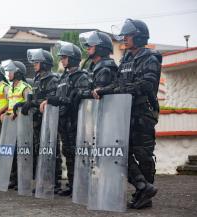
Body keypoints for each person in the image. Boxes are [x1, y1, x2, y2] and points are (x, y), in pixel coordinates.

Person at [97, 19, 162, 209]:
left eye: (128, 35)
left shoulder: (151, 57)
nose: (124, 38)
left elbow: (146, 85)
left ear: (139, 37)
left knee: (143, 155)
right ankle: (143, 187)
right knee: (121, 153)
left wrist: (116, 90)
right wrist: (103, 90)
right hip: (125, 113)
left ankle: (144, 196)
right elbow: (118, 84)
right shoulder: (125, 58)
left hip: (143, 114)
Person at [40, 42, 90, 196]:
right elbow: (59, 96)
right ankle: (72, 184)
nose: (61, 60)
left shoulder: (82, 77)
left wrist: (56, 100)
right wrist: (51, 100)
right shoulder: (63, 77)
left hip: (76, 121)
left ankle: (82, 186)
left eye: (65, 57)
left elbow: (77, 100)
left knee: (77, 153)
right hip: (63, 121)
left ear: (73, 58)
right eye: (61, 57)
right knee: (67, 153)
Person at [22, 48, 60, 193]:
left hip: (48, 121)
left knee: (51, 151)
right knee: (40, 151)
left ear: (45, 64)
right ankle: (43, 181)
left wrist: (33, 103)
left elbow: (50, 101)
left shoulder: (53, 79)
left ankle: (54, 183)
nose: (34, 65)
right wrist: (25, 103)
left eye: (37, 62)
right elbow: (36, 97)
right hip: (38, 120)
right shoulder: (37, 79)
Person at [0, 60, 32, 189]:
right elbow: (10, 105)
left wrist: (17, 113)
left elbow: (28, 106)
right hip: (11, 124)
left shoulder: (25, 87)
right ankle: (13, 178)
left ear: (18, 73)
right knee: (11, 152)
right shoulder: (11, 87)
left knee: (21, 152)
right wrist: (4, 114)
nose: (8, 74)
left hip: (22, 124)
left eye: (11, 71)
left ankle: (22, 179)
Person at [78, 31, 118, 99]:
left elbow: (97, 93)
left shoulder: (107, 69)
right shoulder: (92, 68)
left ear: (100, 48)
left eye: (91, 45)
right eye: (88, 46)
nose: (88, 48)